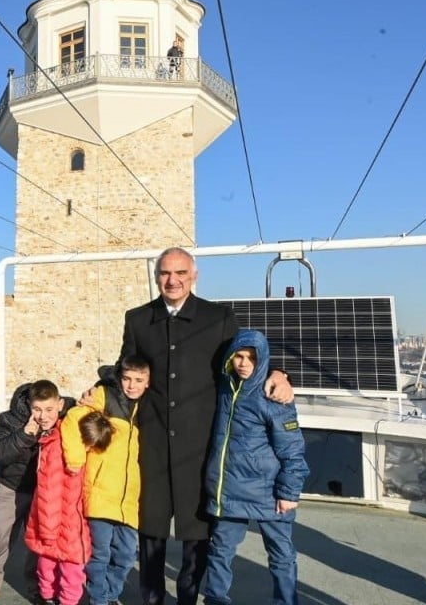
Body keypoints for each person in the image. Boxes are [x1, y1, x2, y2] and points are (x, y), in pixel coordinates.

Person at [116, 246, 292, 605]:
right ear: (156, 277)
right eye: (165, 273)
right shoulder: (137, 319)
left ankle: (187, 598)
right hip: (152, 442)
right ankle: (152, 599)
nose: (173, 280)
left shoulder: (218, 318)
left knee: (197, 532)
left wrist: (280, 372)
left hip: (201, 445)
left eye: (180, 273)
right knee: (151, 530)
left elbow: (248, 358)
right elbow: (127, 369)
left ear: (194, 276)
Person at [202, 330, 308, 605]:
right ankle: (215, 600)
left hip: (270, 495)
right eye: (239, 355)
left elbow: (293, 450)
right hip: (230, 493)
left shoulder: (273, 397)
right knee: (219, 552)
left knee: (281, 556)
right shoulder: (225, 388)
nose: (244, 363)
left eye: (251, 357)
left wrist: (289, 493)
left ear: (262, 361)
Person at [0, 380, 73, 605]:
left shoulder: (67, 413)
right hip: (10, 486)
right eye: (37, 409)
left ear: (59, 405)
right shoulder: (11, 419)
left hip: (43, 489)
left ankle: (37, 587)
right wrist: (25, 435)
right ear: (29, 404)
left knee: (39, 540)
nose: (43, 416)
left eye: (49, 410)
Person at [64, 356, 150, 605]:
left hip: (129, 499)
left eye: (138, 380)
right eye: (126, 379)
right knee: (99, 554)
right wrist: (76, 458)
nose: (131, 386)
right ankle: (99, 600)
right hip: (101, 492)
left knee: (125, 554)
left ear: (147, 382)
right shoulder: (103, 396)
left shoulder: (149, 406)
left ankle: (110, 595)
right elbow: (72, 420)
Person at [25, 406, 111, 605]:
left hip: (56, 521)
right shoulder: (65, 454)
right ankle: (65, 601)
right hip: (64, 522)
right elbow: (50, 492)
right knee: (71, 569)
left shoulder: (62, 444)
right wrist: (49, 531)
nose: (90, 450)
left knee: (48, 563)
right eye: (90, 446)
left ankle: (48, 596)